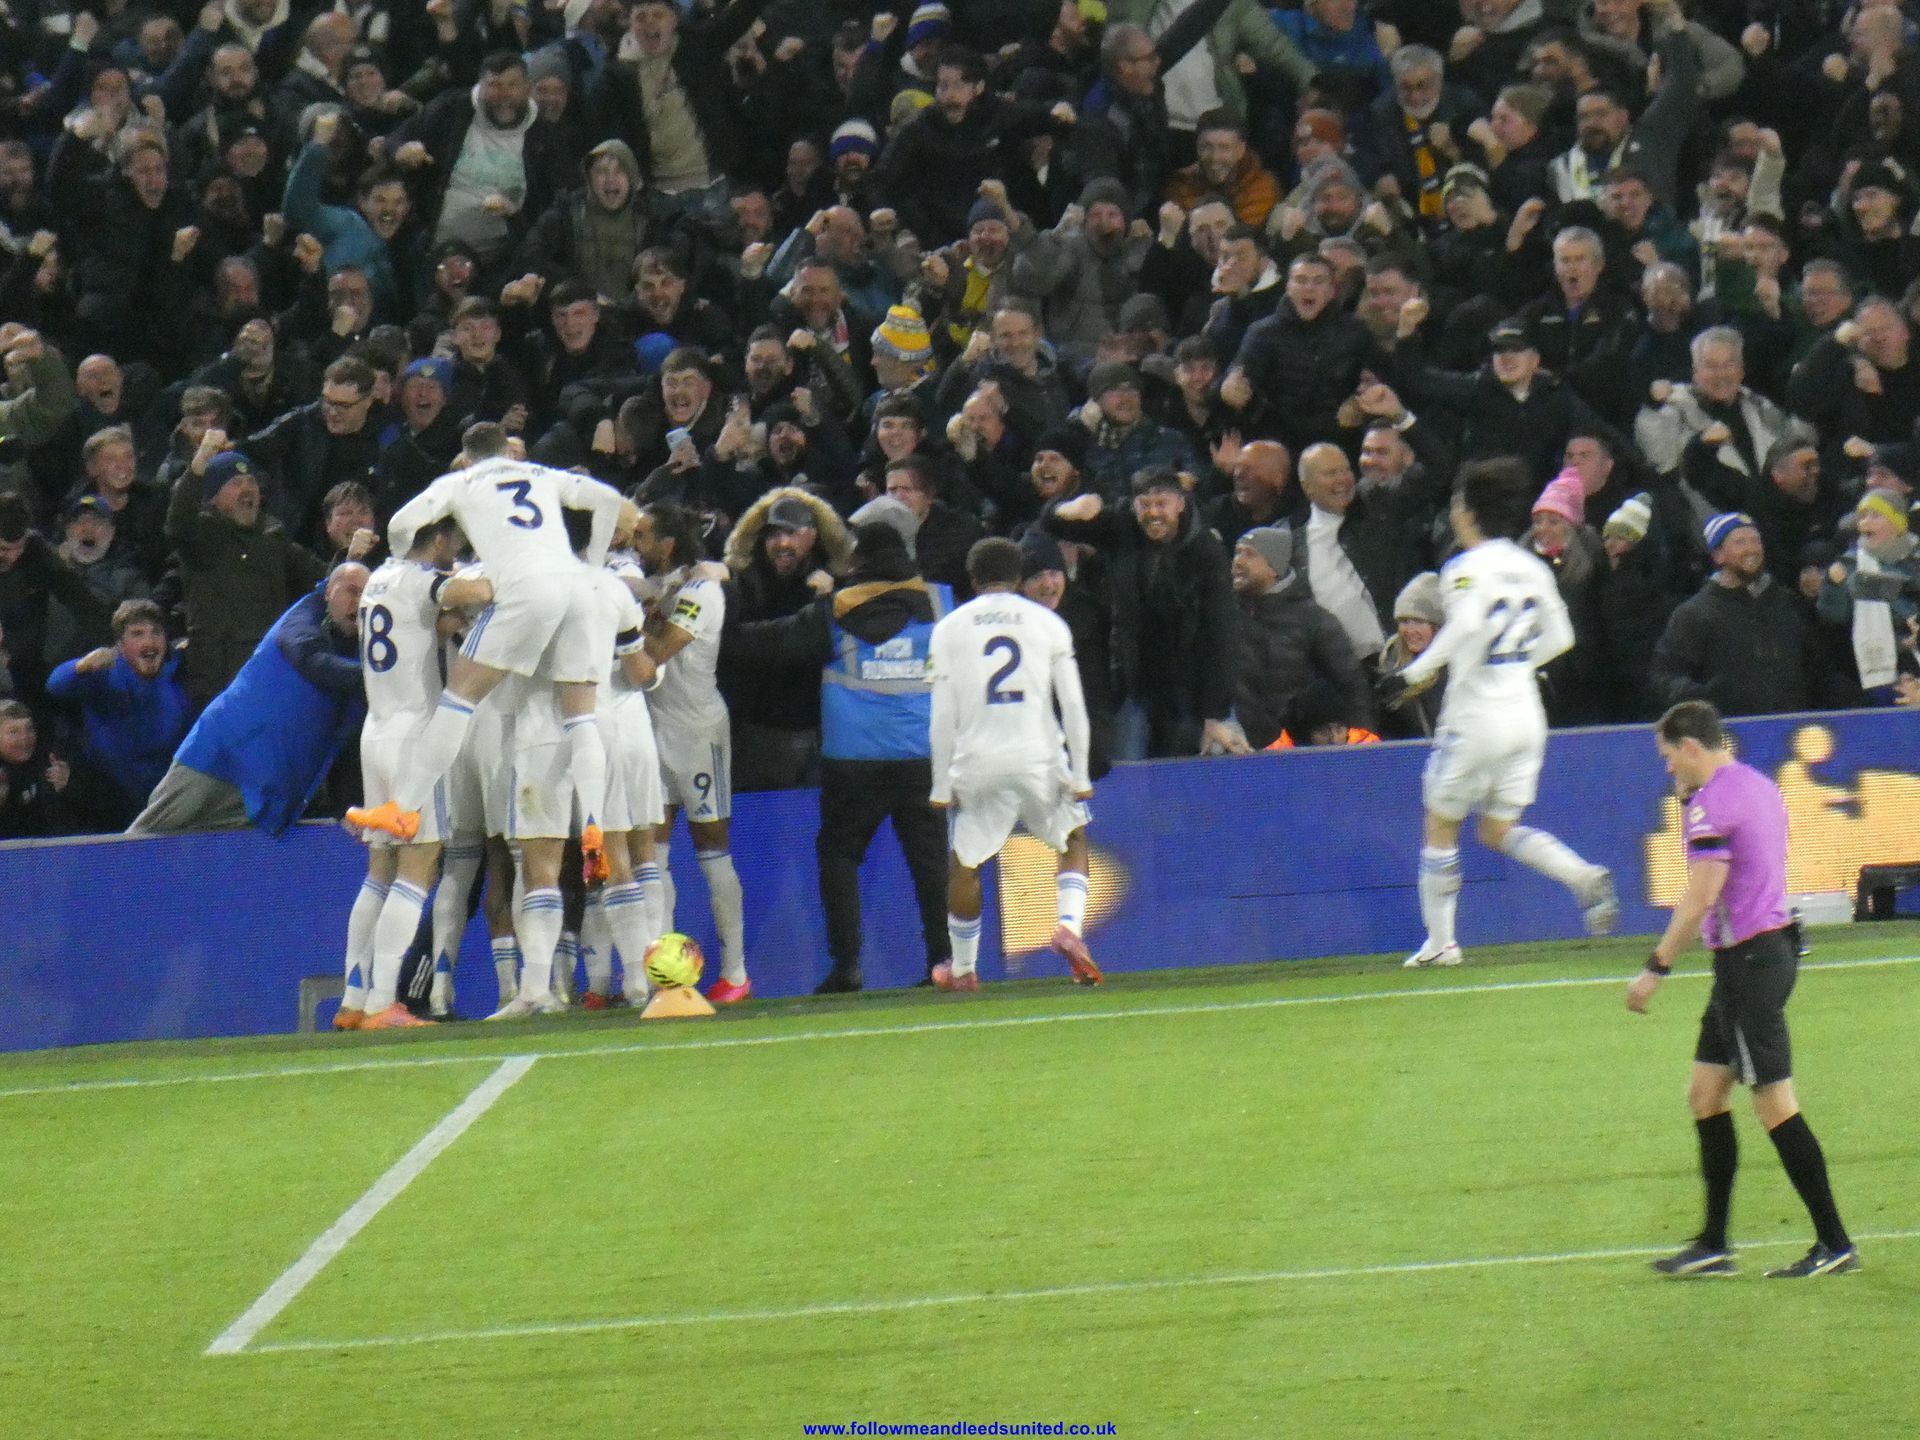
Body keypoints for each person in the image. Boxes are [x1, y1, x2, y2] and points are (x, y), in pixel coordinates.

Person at [347, 424, 637, 894]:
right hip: (580, 586)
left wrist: (401, 560)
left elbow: (399, 524)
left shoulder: (459, 482)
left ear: (467, 458)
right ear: (508, 453)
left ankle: (404, 809)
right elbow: (607, 500)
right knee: (581, 717)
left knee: (458, 698)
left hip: (523, 590)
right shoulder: (541, 473)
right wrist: (596, 563)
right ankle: (593, 825)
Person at [1629, 700, 1859, 1280]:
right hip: (1760, 954)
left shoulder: (1714, 804)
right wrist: (1688, 801)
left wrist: (1656, 967)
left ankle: (1835, 1243)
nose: (1667, 768)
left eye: (1668, 756)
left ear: (1690, 747)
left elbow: (1701, 896)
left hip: (1749, 963)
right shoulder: (1754, 784)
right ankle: (1714, 1244)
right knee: (1705, 1094)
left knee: (1775, 1104)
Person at [1377, 459, 1618, 968]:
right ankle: (1581, 876)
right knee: (1496, 829)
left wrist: (1413, 672)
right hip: (1526, 716)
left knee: (1440, 823)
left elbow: (1465, 625)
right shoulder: (1532, 566)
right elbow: (1562, 638)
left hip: (1476, 718)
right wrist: (1514, 666)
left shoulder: (1464, 568)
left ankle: (1441, 944)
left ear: (1467, 512)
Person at [725, 522, 954, 994]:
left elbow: (756, 645)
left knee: (840, 856)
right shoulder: (941, 604)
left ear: (858, 561)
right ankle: (945, 960)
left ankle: (847, 965)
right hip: (922, 756)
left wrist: (722, 603)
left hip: (852, 760)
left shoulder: (832, 612)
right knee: (931, 862)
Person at [335, 518, 491, 1033]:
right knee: (418, 868)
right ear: (439, 540)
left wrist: (446, 623)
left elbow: (419, 626)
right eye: (455, 543)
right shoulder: (423, 580)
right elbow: (476, 591)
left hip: (376, 731)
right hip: (414, 736)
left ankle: (354, 998)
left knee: (379, 869)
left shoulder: (378, 579)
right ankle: (384, 1002)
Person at [928, 536, 1099, 992]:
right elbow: (1073, 704)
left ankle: (963, 969)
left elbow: (941, 713)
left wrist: (940, 782)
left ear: (972, 580)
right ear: (1019, 578)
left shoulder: (949, 628)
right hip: (1038, 757)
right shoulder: (1048, 623)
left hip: (978, 759)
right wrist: (1081, 774)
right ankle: (1068, 927)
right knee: (1073, 838)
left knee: (965, 865)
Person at [129, 564, 370, 835]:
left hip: (270, 793)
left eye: (367, 595)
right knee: (142, 841)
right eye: (352, 591)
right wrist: (376, 674)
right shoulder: (304, 617)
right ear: (328, 592)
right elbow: (310, 658)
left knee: (220, 857)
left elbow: (343, 741)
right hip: (221, 759)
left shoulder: (361, 655)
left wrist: (342, 808)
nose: (360, 602)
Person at [631, 499, 751, 1005]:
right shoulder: (663, 585)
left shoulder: (702, 592)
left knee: (711, 848)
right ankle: (666, 979)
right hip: (653, 729)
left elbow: (659, 651)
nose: (635, 543)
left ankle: (735, 973)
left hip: (700, 733)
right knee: (652, 853)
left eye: (642, 536)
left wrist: (627, 624)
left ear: (667, 544)